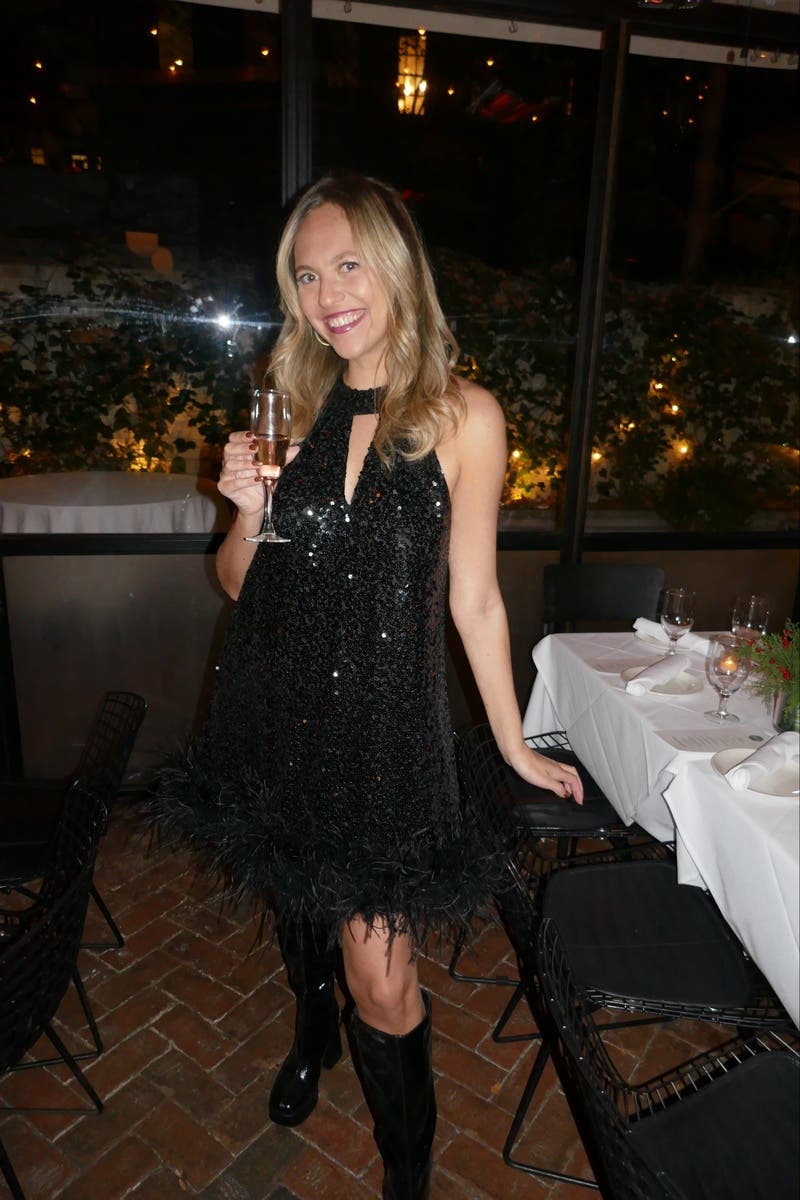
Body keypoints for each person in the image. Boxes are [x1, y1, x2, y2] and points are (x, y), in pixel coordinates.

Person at [153, 174, 582, 1200]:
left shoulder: (462, 417)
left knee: (383, 982)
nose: (327, 294)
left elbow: (474, 599)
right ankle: (312, 1029)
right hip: (282, 708)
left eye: (347, 265)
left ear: (396, 268)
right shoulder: (292, 407)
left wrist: (514, 743)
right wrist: (246, 512)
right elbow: (237, 583)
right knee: (300, 902)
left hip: (392, 734)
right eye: (306, 275)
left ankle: (405, 1174)